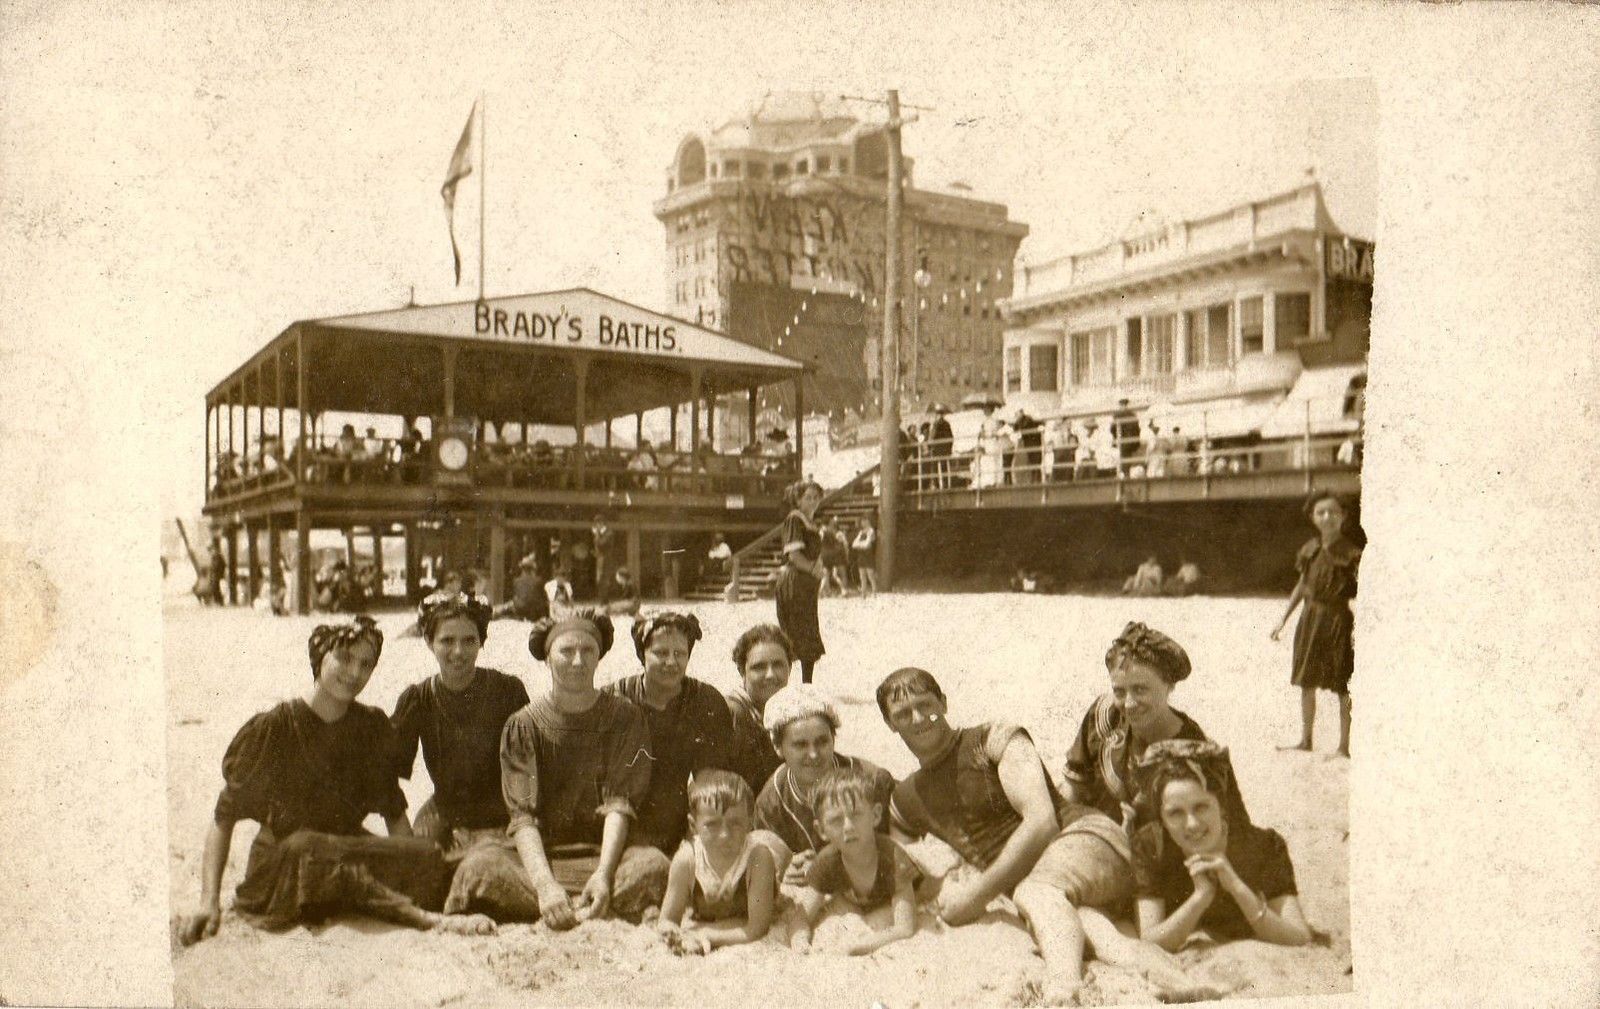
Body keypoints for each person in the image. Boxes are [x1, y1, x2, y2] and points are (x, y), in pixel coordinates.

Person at [878, 667, 1209, 1005]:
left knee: (1037, 892)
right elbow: (902, 857)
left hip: (1087, 839)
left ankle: (1063, 988)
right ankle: (1184, 983)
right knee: (1102, 940)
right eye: (903, 713)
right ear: (891, 725)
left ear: (944, 703)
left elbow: (1042, 822)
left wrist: (976, 895)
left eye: (926, 703)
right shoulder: (907, 797)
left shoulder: (993, 739)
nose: (919, 717)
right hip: (1057, 887)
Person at [173, 617, 494, 946]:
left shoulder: (370, 727)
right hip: (287, 865)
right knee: (310, 847)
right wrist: (208, 903)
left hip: (348, 849)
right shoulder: (276, 727)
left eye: (366, 663)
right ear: (319, 656)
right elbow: (223, 819)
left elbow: (393, 813)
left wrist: (410, 858)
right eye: (344, 657)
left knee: (424, 852)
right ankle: (424, 919)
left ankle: (394, 898)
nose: (354, 673)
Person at [482, 610, 670, 928]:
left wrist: (604, 875)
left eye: (588, 651)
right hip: (543, 858)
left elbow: (619, 805)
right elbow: (522, 817)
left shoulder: (625, 717)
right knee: (480, 868)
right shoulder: (523, 724)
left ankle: (591, 895)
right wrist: (544, 886)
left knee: (654, 866)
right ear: (547, 657)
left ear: (599, 656)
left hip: (605, 856)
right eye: (566, 651)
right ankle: (567, 902)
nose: (578, 661)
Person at [390, 593, 531, 920]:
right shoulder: (418, 699)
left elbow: (528, 767)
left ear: (482, 640)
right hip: (445, 812)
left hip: (503, 813)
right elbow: (387, 774)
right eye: (446, 640)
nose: (458, 652)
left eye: (469, 640)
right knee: (418, 882)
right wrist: (402, 838)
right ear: (428, 641)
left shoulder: (507, 691)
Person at [1063, 622, 1247, 835]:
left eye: (1140, 689)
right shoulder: (1103, 717)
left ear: (1169, 686)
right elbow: (1071, 792)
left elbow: (1225, 835)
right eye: (1119, 691)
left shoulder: (1195, 752)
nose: (1129, 704)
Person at [1132, 740, 1311, 949]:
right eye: (1175, 813)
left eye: (1201, 807)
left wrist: (1236, 886)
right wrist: (1201, 897)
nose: (1192, 824)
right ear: (1161, 818)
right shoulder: (1151, 847)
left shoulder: (1265, 847)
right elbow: (1150, 942)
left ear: (1222, 807)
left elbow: (1300, 938)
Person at [604, 612, 733, 854]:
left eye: (679, 654)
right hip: (619, 819)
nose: (671, 662)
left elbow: (709, 780)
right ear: (643, 654)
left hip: (678, 821)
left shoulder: (705, 701)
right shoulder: (615, 699)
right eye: (661, 653)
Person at [754, 684, 896, 889]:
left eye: (822, 742)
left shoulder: (871, 779)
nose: (813, 754)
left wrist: (827, 865)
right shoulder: (771, 801)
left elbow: (898, 847)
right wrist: (787, 867)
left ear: (833, 739)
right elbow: (769, 858)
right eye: (800, 745)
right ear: (778, 747)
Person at [787, 767, 923, 956]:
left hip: (915, 888)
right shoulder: (827, 861)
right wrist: (800, 941)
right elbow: (801, 916)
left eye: (856, 814)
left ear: (875, 815)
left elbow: (905, 929)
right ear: (821, 831)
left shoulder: (893, 859)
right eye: (835, 820)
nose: (848, 827)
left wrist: (857, 947)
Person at [1271, 492, 1361, 758]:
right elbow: (1302, 586)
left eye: (1333, 512)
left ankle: (1344, 747)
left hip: (1338, 620)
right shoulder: (1310, 550)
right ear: (1313, 517)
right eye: (1321, 512)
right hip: (1309, 619)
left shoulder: (1353, 554)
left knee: (1343, 684)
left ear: (1343, 516)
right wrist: (1283, 619)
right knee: (1306, 680)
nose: (1327, 517)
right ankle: (1305, 739)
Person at [655, 771, 781, 955]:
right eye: (712, 824)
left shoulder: (758, 859)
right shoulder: (687, 860)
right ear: (693, 826)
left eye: (735, 823)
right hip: (723, 923)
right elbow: (667, 921)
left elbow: (756, 928)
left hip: (750, 911)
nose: (724, 835)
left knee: (774, 851)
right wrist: (674, 936)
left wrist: (706, 935)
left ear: (750, 822)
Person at [723, 624, 793, 794]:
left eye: (778, 665)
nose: (770, 675)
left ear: (790, 668)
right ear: (742, 671)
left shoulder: (791, 710)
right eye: (759, 667)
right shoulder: (732, 714)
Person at [774, 479, 826, 683]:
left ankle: (806, 685)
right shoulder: (795, 519)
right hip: (794, 582)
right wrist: (813, 569)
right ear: (798, 499)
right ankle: (782, 682)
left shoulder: (811, 523)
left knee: (807, 632)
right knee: (795, 634)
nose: (813, 501)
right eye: (808, 497)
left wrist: (819, 571)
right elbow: (794, 555)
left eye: (816, 497)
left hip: (806, 584)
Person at [819, 517, 850, 597]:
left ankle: (823, 592)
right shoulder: (832, 532)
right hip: (833, 555)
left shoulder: (823, 531)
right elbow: (840, 544)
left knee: (827, 574)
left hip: (825, 554)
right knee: (832, 574)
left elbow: (820, 541)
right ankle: (827, 591)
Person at [1113, 398, 1141, 476]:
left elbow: (1112, 429)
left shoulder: (1117, 415)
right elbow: (1137, 429)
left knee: (1122, 459)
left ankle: (1123, 474)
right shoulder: (1132, 415)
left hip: (1122, 441)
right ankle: (1126, 474)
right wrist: (1136, 442)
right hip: (1130, 442)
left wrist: (1115, 439)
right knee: (1127, 460)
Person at [851, 517, 878, 595]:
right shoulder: (861, 532)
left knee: (870, 575)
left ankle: (874, 592)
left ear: (868, 521)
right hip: (861, 556)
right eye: (862, 521)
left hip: (868, 555)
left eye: (864, 521)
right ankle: (863, 593)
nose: (862, 523)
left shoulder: (871, 531)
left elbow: (867, 544)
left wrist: (859, 544)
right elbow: (853, 544)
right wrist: (861, 544)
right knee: (862, 575)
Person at [929, 406, 955, 489]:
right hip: (944, 449)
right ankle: (945, 485)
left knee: (935, 467)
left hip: (937, 449)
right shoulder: (946, 424)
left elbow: (932, 437)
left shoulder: (936, 424)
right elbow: (951, 437)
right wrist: (949, 448)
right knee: (944, 468)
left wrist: (930, 446)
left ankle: (935, 484)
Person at [591, 513, 617, 592]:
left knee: (604, 580)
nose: (596, 526)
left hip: (606, 559)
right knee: (599, 580)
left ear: (601, 523)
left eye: (597, 524)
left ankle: (605, 600)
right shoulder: (601, 534)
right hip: (600, 559)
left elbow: (601, 544)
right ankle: (603, 600)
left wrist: (597, 534)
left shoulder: (609, 533)